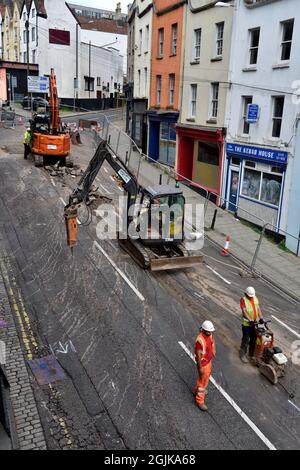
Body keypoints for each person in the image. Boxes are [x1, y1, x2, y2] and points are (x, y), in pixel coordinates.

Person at [194, 320, 216, 412]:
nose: (209, 333)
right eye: (208, 331)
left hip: (208, 361)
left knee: (203, 379)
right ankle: (200, 400)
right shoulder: (200, 340)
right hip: (203, 364)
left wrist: (213, 350)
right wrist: (200, 368)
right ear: (203, 330)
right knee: (203, 382)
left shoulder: (209, 334)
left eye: (210, 331)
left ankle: (197, 390)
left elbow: (212, 342)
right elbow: (198, 355)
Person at [239, 286, 262, 363]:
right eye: (249, 296)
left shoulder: (255, 298)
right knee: (246, 339)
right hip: (246, 324)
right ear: (246, 294)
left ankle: (251, 354)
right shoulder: (243, 300)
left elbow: (258, 308)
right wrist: (250, 320)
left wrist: (261, 317)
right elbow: (244, 311)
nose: (251, 297)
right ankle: (242, 354)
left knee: (254, 339)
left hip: (254, 323)